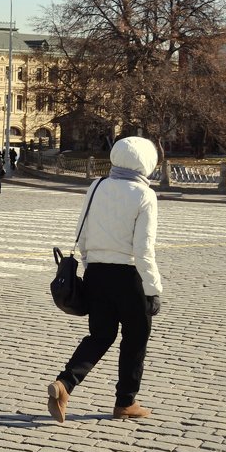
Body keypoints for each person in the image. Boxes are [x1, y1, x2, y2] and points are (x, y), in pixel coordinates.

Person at [47, 136, 162, 423]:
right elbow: (143, 249)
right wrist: (153, 289)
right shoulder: (144, 195)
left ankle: (65, 384)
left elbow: (82, 234)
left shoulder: (96, 186)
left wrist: (92, 266)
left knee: (100, 336)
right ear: (147, 162)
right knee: (135, 340)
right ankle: (125, 402)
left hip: (96, 273)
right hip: (129, 276)